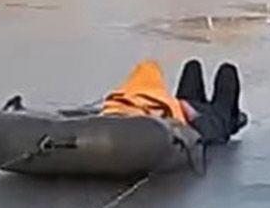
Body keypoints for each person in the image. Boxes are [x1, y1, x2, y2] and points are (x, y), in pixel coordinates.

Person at [99, 58, 246, 145]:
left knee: (193, 66)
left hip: (184, 107)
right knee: (227, 70)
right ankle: (233, 119)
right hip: (207, 121)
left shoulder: (122, 99)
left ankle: (232, 117)